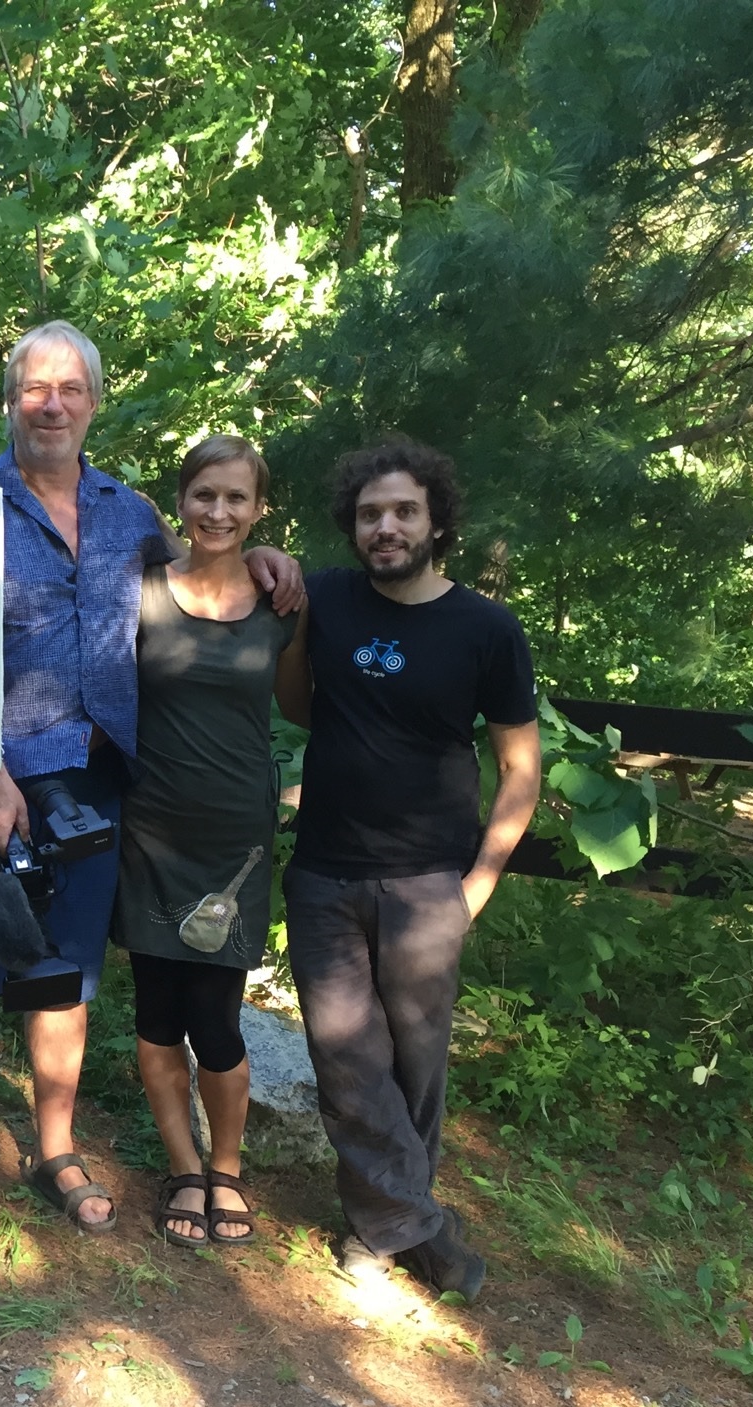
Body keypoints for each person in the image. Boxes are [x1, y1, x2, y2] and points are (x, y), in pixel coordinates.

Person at [0, 323, 302, 1244]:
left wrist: (270, 562)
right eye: (35, 388)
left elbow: (203, 572)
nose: (53, 405)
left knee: (66, 977)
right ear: (8, 400)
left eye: (70, 388)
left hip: (96, 781)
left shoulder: (132, 515)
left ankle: (55, 1148)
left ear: (94, 402)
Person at [274, 437, 541, 1299]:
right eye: (369, 514)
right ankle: (417, 1226)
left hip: (431, 882)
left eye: (403, 512)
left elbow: (521, 769)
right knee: (346, 1060)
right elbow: (296, 703)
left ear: (436, 521)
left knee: (417, 1067)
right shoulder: (326, 597)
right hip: (324, 872)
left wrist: (479, 884)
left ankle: (380, 1228)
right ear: (351, 526)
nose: (385, 528)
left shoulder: (487, 629)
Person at [113, 435, 307, 1248]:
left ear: (258, 509)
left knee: (217, 1020)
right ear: (182, 501)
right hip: (151, 831)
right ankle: (184, 1168)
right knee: (158, 1016)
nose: (218, 511)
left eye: (235, 498)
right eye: (204, 495)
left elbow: (306, 708)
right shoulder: (142, 591)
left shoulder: (283, 605)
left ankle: (227, 1169)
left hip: (236, 842)